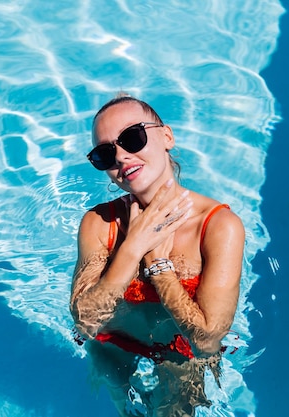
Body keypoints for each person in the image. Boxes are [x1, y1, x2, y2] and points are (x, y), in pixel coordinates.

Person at [70, 94, 245, 416]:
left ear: (166, 136)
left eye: (132, 138)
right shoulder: (99, 223)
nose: (122, 157)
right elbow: (85, 322)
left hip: (179, 355)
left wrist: (157, 266)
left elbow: (206, 341)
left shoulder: (219, 226)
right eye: (105, 154)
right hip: (113, 346)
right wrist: (133, 246)